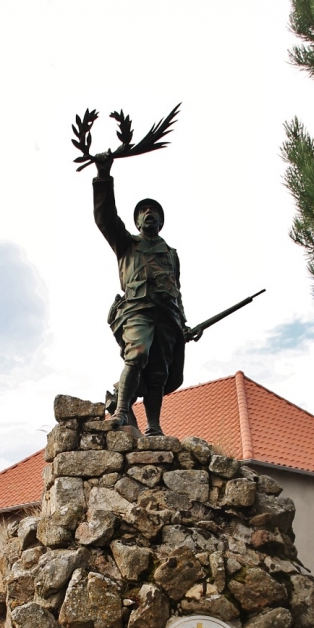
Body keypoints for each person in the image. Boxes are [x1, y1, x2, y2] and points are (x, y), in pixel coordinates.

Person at [92, 151, 188, 436]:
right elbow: (105, 217)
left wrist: (184, 324)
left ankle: (154, 426)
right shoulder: (127, 244)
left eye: (153, 212)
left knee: (159, 372)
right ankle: (122, 410)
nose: (149, 214)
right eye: (143, 212)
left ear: (160, 221)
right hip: (137, 309)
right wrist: (103, 176)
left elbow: (177, 291)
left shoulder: (171, 254)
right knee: (137, 353)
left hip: (167, 316)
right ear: (136, 222)